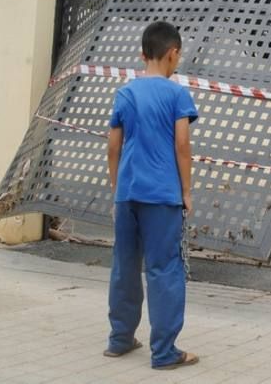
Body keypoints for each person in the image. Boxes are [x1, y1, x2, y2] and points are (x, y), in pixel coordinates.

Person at [104, 21, 199, 370]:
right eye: (178, 56)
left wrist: (117, 190)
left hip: (127, 193)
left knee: (125, 266)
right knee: (163, 269)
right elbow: (183, 145)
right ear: (172, 53)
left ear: (143, 54)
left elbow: (113, 145)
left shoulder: (125, 93)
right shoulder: (178, 94)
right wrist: (186, 191)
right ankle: (164, 352)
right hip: (162, 195)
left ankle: (119, 339)